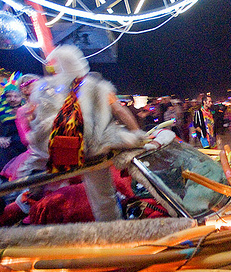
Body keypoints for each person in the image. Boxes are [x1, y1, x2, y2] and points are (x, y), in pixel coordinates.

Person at [18, 45, 144, 222]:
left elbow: (38, 127)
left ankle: (25, 209)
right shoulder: (97, 87)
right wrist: (136, 134)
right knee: (103, 198)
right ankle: (111, 233)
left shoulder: (48, 89)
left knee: (41, 182)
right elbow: (119, 111)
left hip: (61, 150)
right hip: (94, 149)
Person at [0, 74, 27, 173]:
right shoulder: (1, 113)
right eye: (9, 96)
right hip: (8, 148)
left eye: (16, 96)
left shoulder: (29, 110)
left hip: (26, 146)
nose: (12, 99)